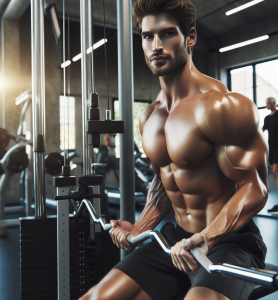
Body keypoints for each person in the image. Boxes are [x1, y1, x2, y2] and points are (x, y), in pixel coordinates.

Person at [80, 1, 268, 300]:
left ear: (190, 37)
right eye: (147, 36)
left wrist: (207, 237)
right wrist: (139, 227)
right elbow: (165, 180)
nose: (156, 45)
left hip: (229, 242)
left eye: (167, 34)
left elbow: (254, 187)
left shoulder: (220, 106)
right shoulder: (150, 116)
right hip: (174, 240)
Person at [263, 97, 278, 213]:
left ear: (273, 103)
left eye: (268, 102)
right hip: (271, 148)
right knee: (275, 174)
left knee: (275, 171)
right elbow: (260, 131)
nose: (266, 104)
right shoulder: (267, 119)